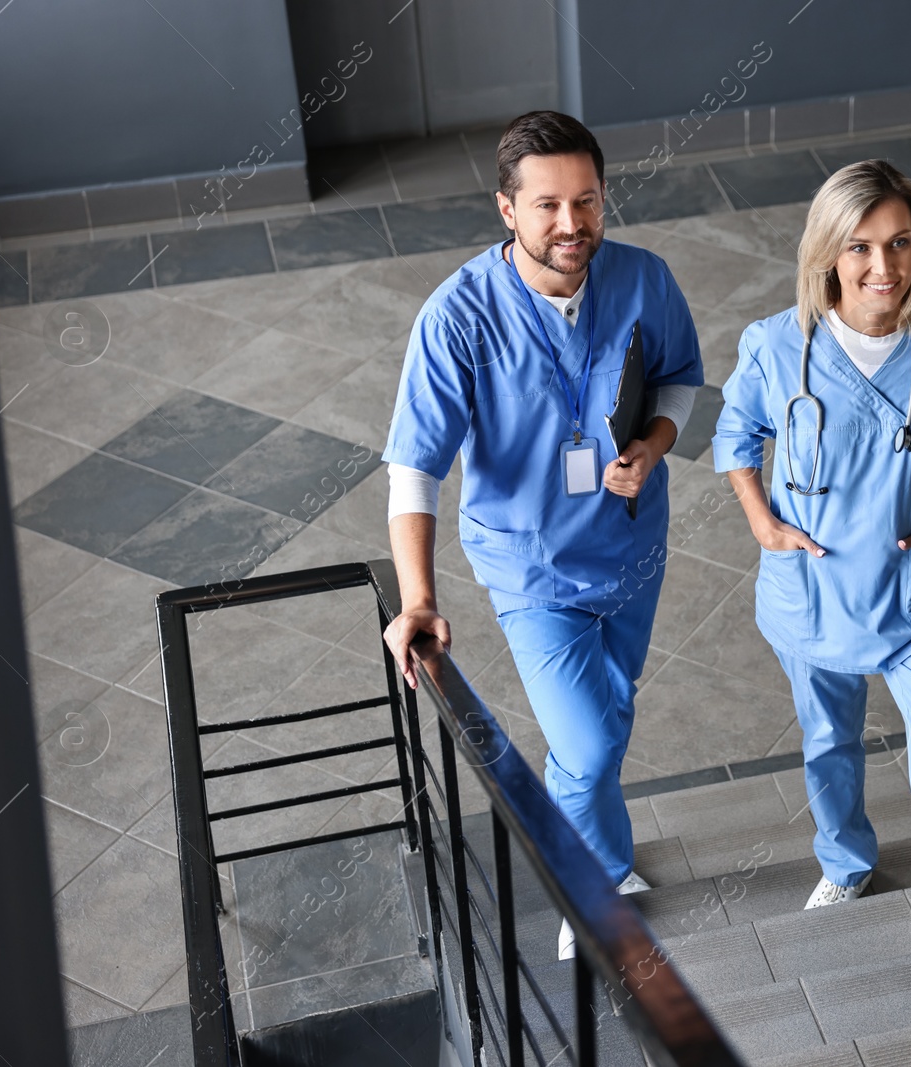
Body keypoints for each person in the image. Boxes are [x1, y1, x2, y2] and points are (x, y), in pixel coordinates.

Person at [379, 111, 704, 960]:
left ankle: (608, 859)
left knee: (608, 716)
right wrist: (419, 599)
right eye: (549, 205)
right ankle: (583, 885)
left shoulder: (644, 279)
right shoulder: (457, 317)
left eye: (588, 201)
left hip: (633, 546)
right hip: (532, 568)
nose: (572, 224)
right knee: (587, 741)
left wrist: (653, 446)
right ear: (506, 210)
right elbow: (416, 468)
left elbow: (678, 382)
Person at [713, 160, 911, 946]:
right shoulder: (778, 345)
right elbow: (734, 433)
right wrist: (760, 518)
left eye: (901, 243)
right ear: (827, 254)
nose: (884, 267)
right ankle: (846, 864)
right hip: (811, 590)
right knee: (829, 749)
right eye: (860, 247)